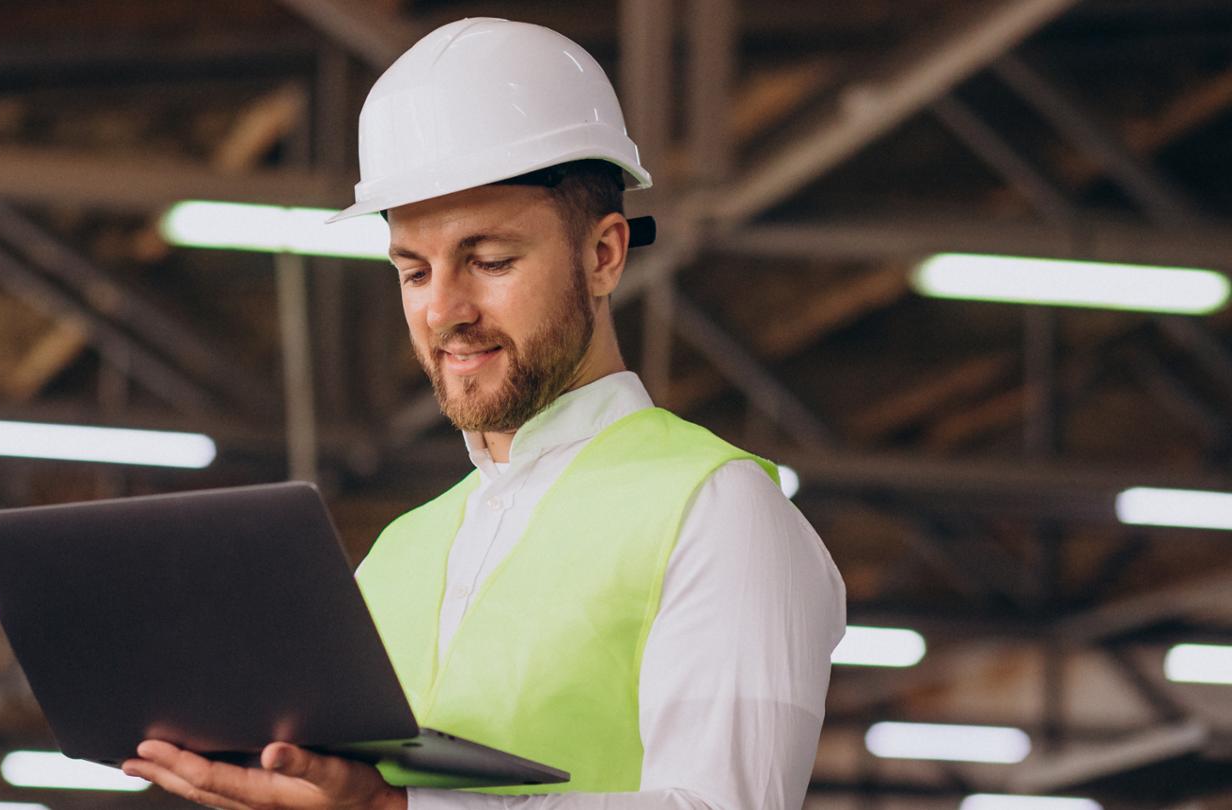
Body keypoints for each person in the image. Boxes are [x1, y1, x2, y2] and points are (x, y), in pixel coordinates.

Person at [122, 18, 846, 810]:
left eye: (490, 261)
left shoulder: (717, 510)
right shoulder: (394, 558)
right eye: (413, 271)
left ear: (604, 255)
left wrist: (392, 809)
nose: (443, 311)